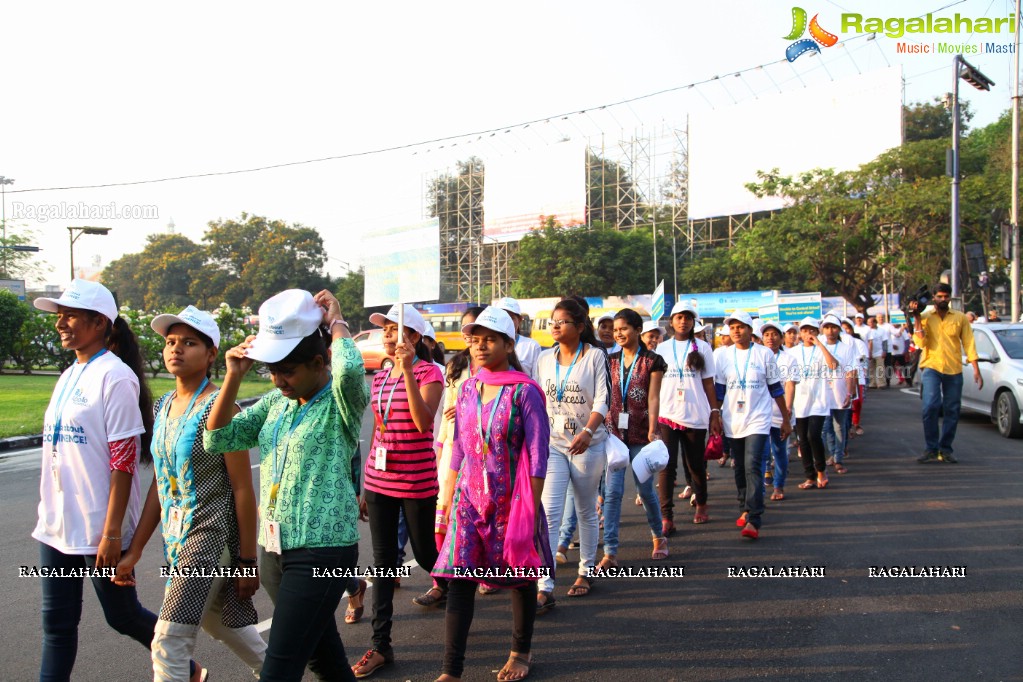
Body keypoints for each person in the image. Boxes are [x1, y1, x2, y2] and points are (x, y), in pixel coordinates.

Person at [31, 280, 200, 682]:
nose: (61, 324)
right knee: (56, 625)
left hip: (97, 525)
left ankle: (186, 668)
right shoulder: (71, 372)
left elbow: (122, 463)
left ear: (98, 322)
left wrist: (111, 534)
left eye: (69, 316)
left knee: (122, 616)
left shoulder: (115, 377)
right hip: (56, 526)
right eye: (60, 317)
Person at [204, 289, 369, 681]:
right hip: (275, 547)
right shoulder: (276, 403)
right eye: (272, 371)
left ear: (318, 361)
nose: (278, 381)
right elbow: (218, 438)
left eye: (288, 371)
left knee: (279, 666)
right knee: (322, 657)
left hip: (324, 551)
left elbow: (348, 371)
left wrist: (338, 321)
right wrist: (233, 375)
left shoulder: (341, 401)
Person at [115, 306, 266, 680]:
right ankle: (283, 672)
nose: (176, 349)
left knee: (168, 643)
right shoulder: (164, 404)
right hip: (176, 540)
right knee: (225, 626)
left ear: (211, 353)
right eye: (170, 342)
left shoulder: (221, 407)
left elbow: (243, 489)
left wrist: (248, 561)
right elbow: (160, 484)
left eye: (189, 342)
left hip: (210, 541)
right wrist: (134, 550)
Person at [431, 306, 551, 682]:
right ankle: (451, 670)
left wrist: (529, 514)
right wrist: (447, 498)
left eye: (489, 340)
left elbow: (538, 455)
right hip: (469, 502)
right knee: (460, 580)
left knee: (520, 577)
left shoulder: (525, 392)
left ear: (507, 343)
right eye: (474, 340)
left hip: (512, 505)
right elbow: (462, 449)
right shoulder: (467, 388)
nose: (480, 347)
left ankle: (520, 651)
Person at [353, 304, 446, 678]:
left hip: (416, 481)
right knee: (383, 561)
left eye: (396, 330)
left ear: (415, 338)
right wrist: (365, 483)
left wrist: (407, 371)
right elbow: (378, 428)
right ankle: (380, 646)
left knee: (426, 555)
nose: (389, 336)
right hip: (380, 481)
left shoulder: (429, 373)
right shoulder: (378, 377)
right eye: (385, 330)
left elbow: (424, 421)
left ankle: (456, 589)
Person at [535, 298, 610, 608]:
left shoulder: (594, 356)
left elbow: (603, 402)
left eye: (563, 321)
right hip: (553, 444)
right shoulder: (543, 358)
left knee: (585, 510)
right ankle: (544, 584)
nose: (555, 325)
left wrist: (588, 432)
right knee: (548, 514)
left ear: (580, 327)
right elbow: (539, 399)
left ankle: (586, 570)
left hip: (588, 444)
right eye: (553, 320)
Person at [602, 308, 669, 565]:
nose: (618, 333)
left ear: (637, 330)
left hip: (642, 433)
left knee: (645, 488)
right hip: (614, 435)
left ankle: (658, 536)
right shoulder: (610, 360)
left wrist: (654, 428)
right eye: (615, 329)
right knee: (612, 492)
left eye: (624, 328)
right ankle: (610, 551)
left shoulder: (652, 361)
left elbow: (653, 397)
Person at [715, 311, 791, 540]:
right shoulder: (722, 356)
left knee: (753, 465)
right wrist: (715, 415)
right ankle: (744, 507)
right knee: (739, 467)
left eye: (741, 327)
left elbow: (776, 388)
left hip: (758, 419)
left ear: (750, 330)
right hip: (732, 419)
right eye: (732, 327)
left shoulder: (764, 354)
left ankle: (754, 518)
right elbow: (719, 390)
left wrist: (786, 419)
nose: (736, 331)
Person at [656, 302, 720, 534]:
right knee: (666, 466)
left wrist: (715, 413)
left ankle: (701, 503)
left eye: (688, 318)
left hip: (695, 414)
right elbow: (655, 386)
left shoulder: (703, 347)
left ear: (693, 322)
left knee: (695, 465)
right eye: (679, 317)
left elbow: (708, 383)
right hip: (667, 414)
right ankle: (666, 516)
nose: (683, 321)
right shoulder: (661, 349)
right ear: (671, 321)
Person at [909, 283, 982, 463]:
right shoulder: (925, 316)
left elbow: (969, 343)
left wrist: (976, 369)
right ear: (933, 297)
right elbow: (920, 343)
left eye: (946, 297)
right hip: (931, 367)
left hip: (954, 369)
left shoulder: (960, 318)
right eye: (939, 296)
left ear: (950, 298)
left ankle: (945, 449)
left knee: (952, 410)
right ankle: (931, 448)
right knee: (930, 407)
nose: (943, 299)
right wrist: (917, 318)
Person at [788, 317, 841, 490]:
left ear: (817, 333)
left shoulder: (821, 350)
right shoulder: (793, 352)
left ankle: (821, 471)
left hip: (819, 401)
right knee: (802, 440)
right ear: (799, 333)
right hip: (799, 402)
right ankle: (809, 476)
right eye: (804, 330)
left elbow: (833, 365)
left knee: (814, 436)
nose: (808, 333)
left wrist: (820, 344)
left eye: (812, 330)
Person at [759, 321, 798, 502]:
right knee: (761, 452)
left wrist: (787, 411)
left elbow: (789, 385)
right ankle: (759, 487)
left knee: (779, 451)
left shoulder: (788, 359)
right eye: (766, 335)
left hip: (779, 414)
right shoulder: (757, 356)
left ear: (781, 338)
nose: (770, 338)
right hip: (759, 414)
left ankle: (778, 485)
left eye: (774, 334)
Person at [818, 314, 858, 474]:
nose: (830, 331)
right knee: (826, 428)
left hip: (840, 393)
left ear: (839, 329)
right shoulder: (818, 348)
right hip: (823, 394)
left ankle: (838, 459)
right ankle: (832, 455)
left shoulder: (846, 349)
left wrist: (850, 392)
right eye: (827, 327)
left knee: (839, 427)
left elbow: (851, 371)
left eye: (833, 327)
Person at [494, 297, 543, 379]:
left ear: (519, 320)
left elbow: (537, 379)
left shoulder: (532, 346)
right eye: (502, 317)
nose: (507, 321)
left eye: (511, 317)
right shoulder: (489, 344)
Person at [841, 320, 869, 437]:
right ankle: (847, 428)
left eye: (847, 329)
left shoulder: (858, 342)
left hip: (858, 376)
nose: (845, 331)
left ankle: (855, 424)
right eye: (843, 329)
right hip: (841, 377)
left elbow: (864, 359)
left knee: (857, 402)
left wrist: (864, 371)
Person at [866, 316, 886, 389]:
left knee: (880, 368)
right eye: (868, 322)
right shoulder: (867, 330)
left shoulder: (881, 330)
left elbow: (885, 341)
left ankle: (881, 383)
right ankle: (872, 383)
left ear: (875, 322)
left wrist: (884, 351)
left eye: (871, 322)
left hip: (879, 352)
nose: (870, 324)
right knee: (871, 369)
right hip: (869, 352)